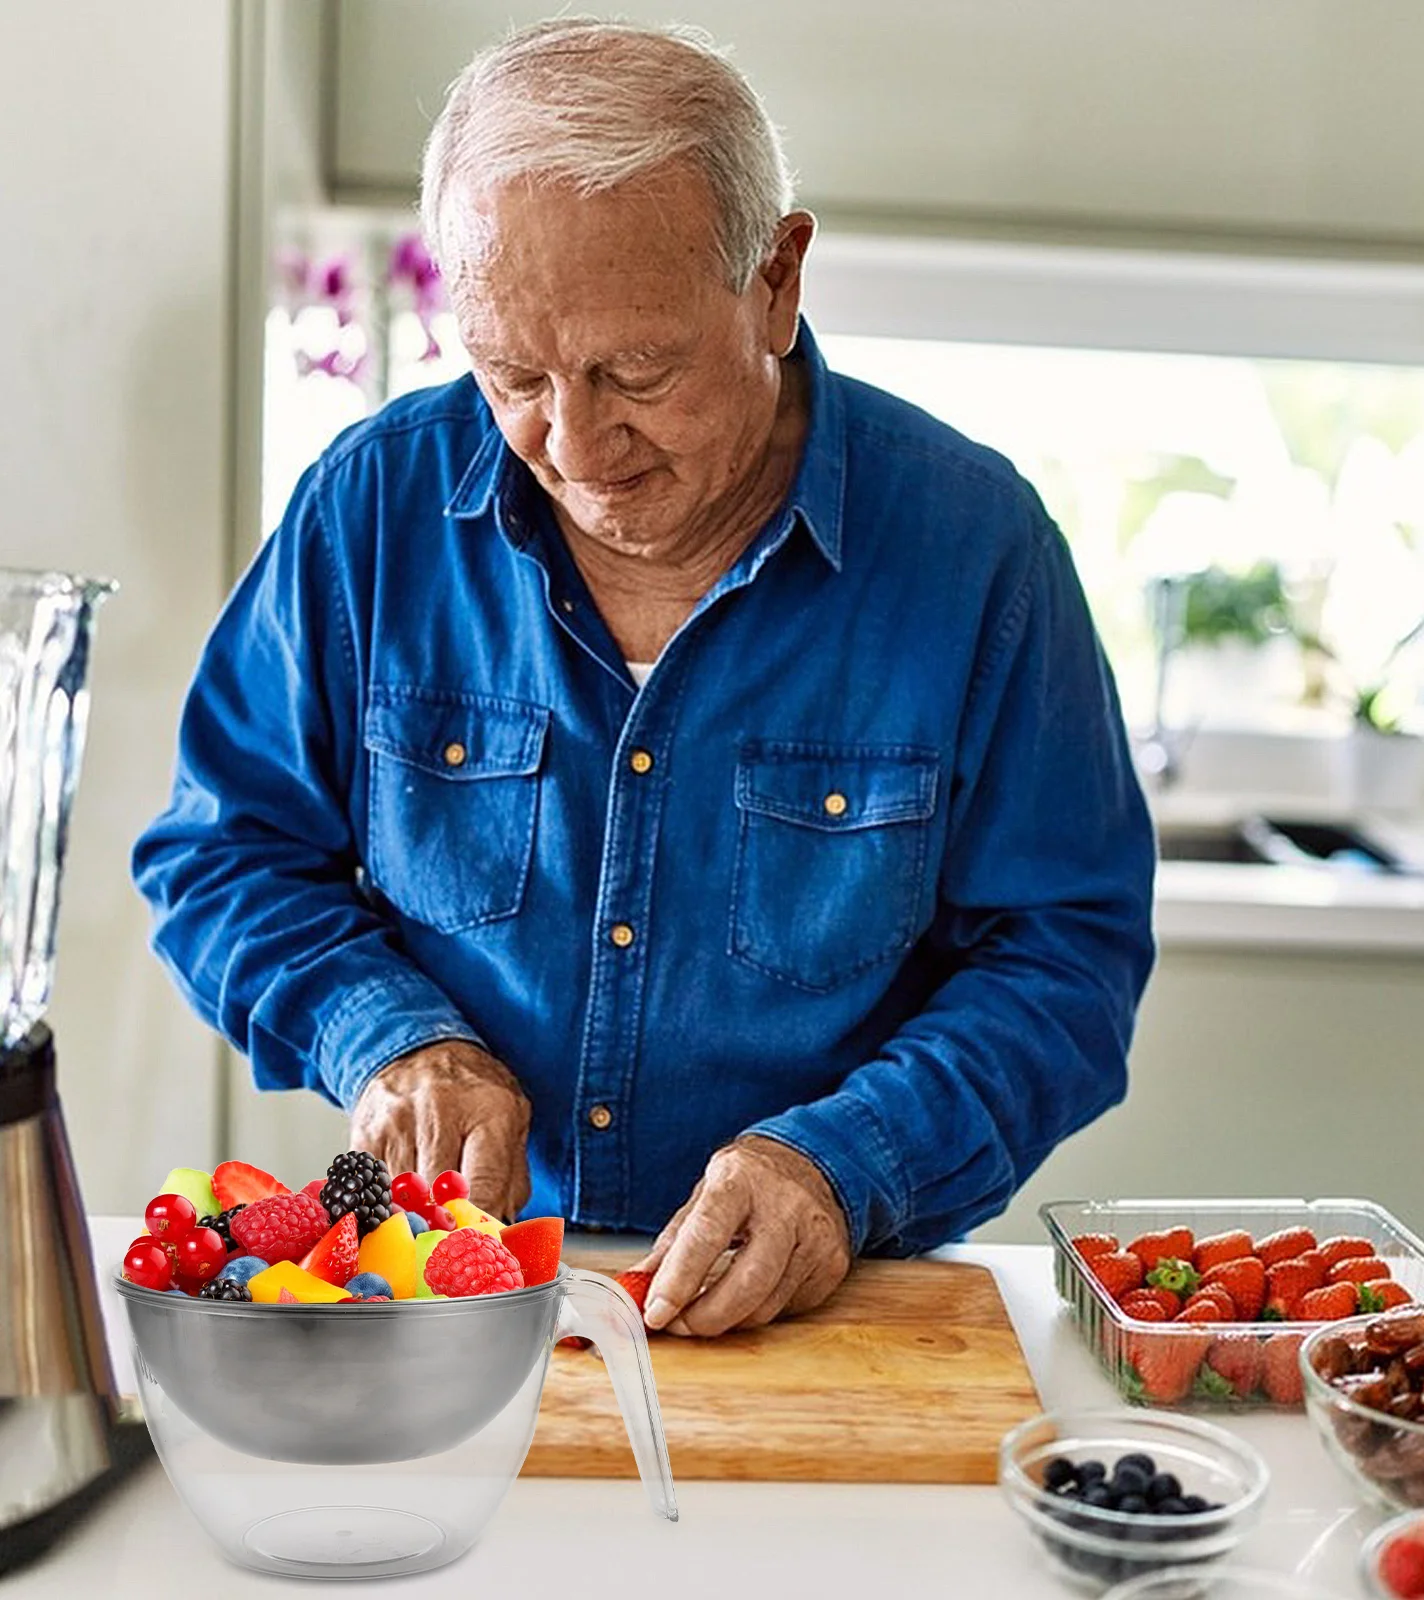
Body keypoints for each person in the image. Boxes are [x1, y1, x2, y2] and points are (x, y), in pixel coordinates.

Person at [133, 18, 1155, 1336]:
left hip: (825, 1308)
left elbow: (1065, 961)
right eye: (511, 374)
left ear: (778, 280)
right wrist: (383, 1030)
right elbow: (223, 855)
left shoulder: (978, 551)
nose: (571, 442)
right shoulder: (367, 512)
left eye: (635, 371)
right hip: (458, 1304)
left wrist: (846, 1168)